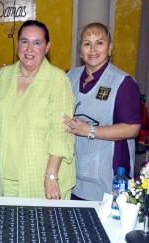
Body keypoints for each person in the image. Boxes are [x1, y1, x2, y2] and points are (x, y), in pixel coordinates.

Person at [0, 20, 75, 200]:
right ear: (17, 44)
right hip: (8, 176)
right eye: (24, 41)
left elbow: (61, 132)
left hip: (43, 177)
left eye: (37, 43)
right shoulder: (3, 77)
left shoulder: (58, 79)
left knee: (43, 228)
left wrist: (51, 175)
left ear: (47, 47)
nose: (29, 49)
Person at [63, 22, 141, 201]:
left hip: (107, 177)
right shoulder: (69, 77)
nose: (92, 50)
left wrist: (89, 130)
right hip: (73, 175)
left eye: (99, 43)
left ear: (110, 48)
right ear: (80, 50)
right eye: (86, 43)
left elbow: (132, 128)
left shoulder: (123, 82)